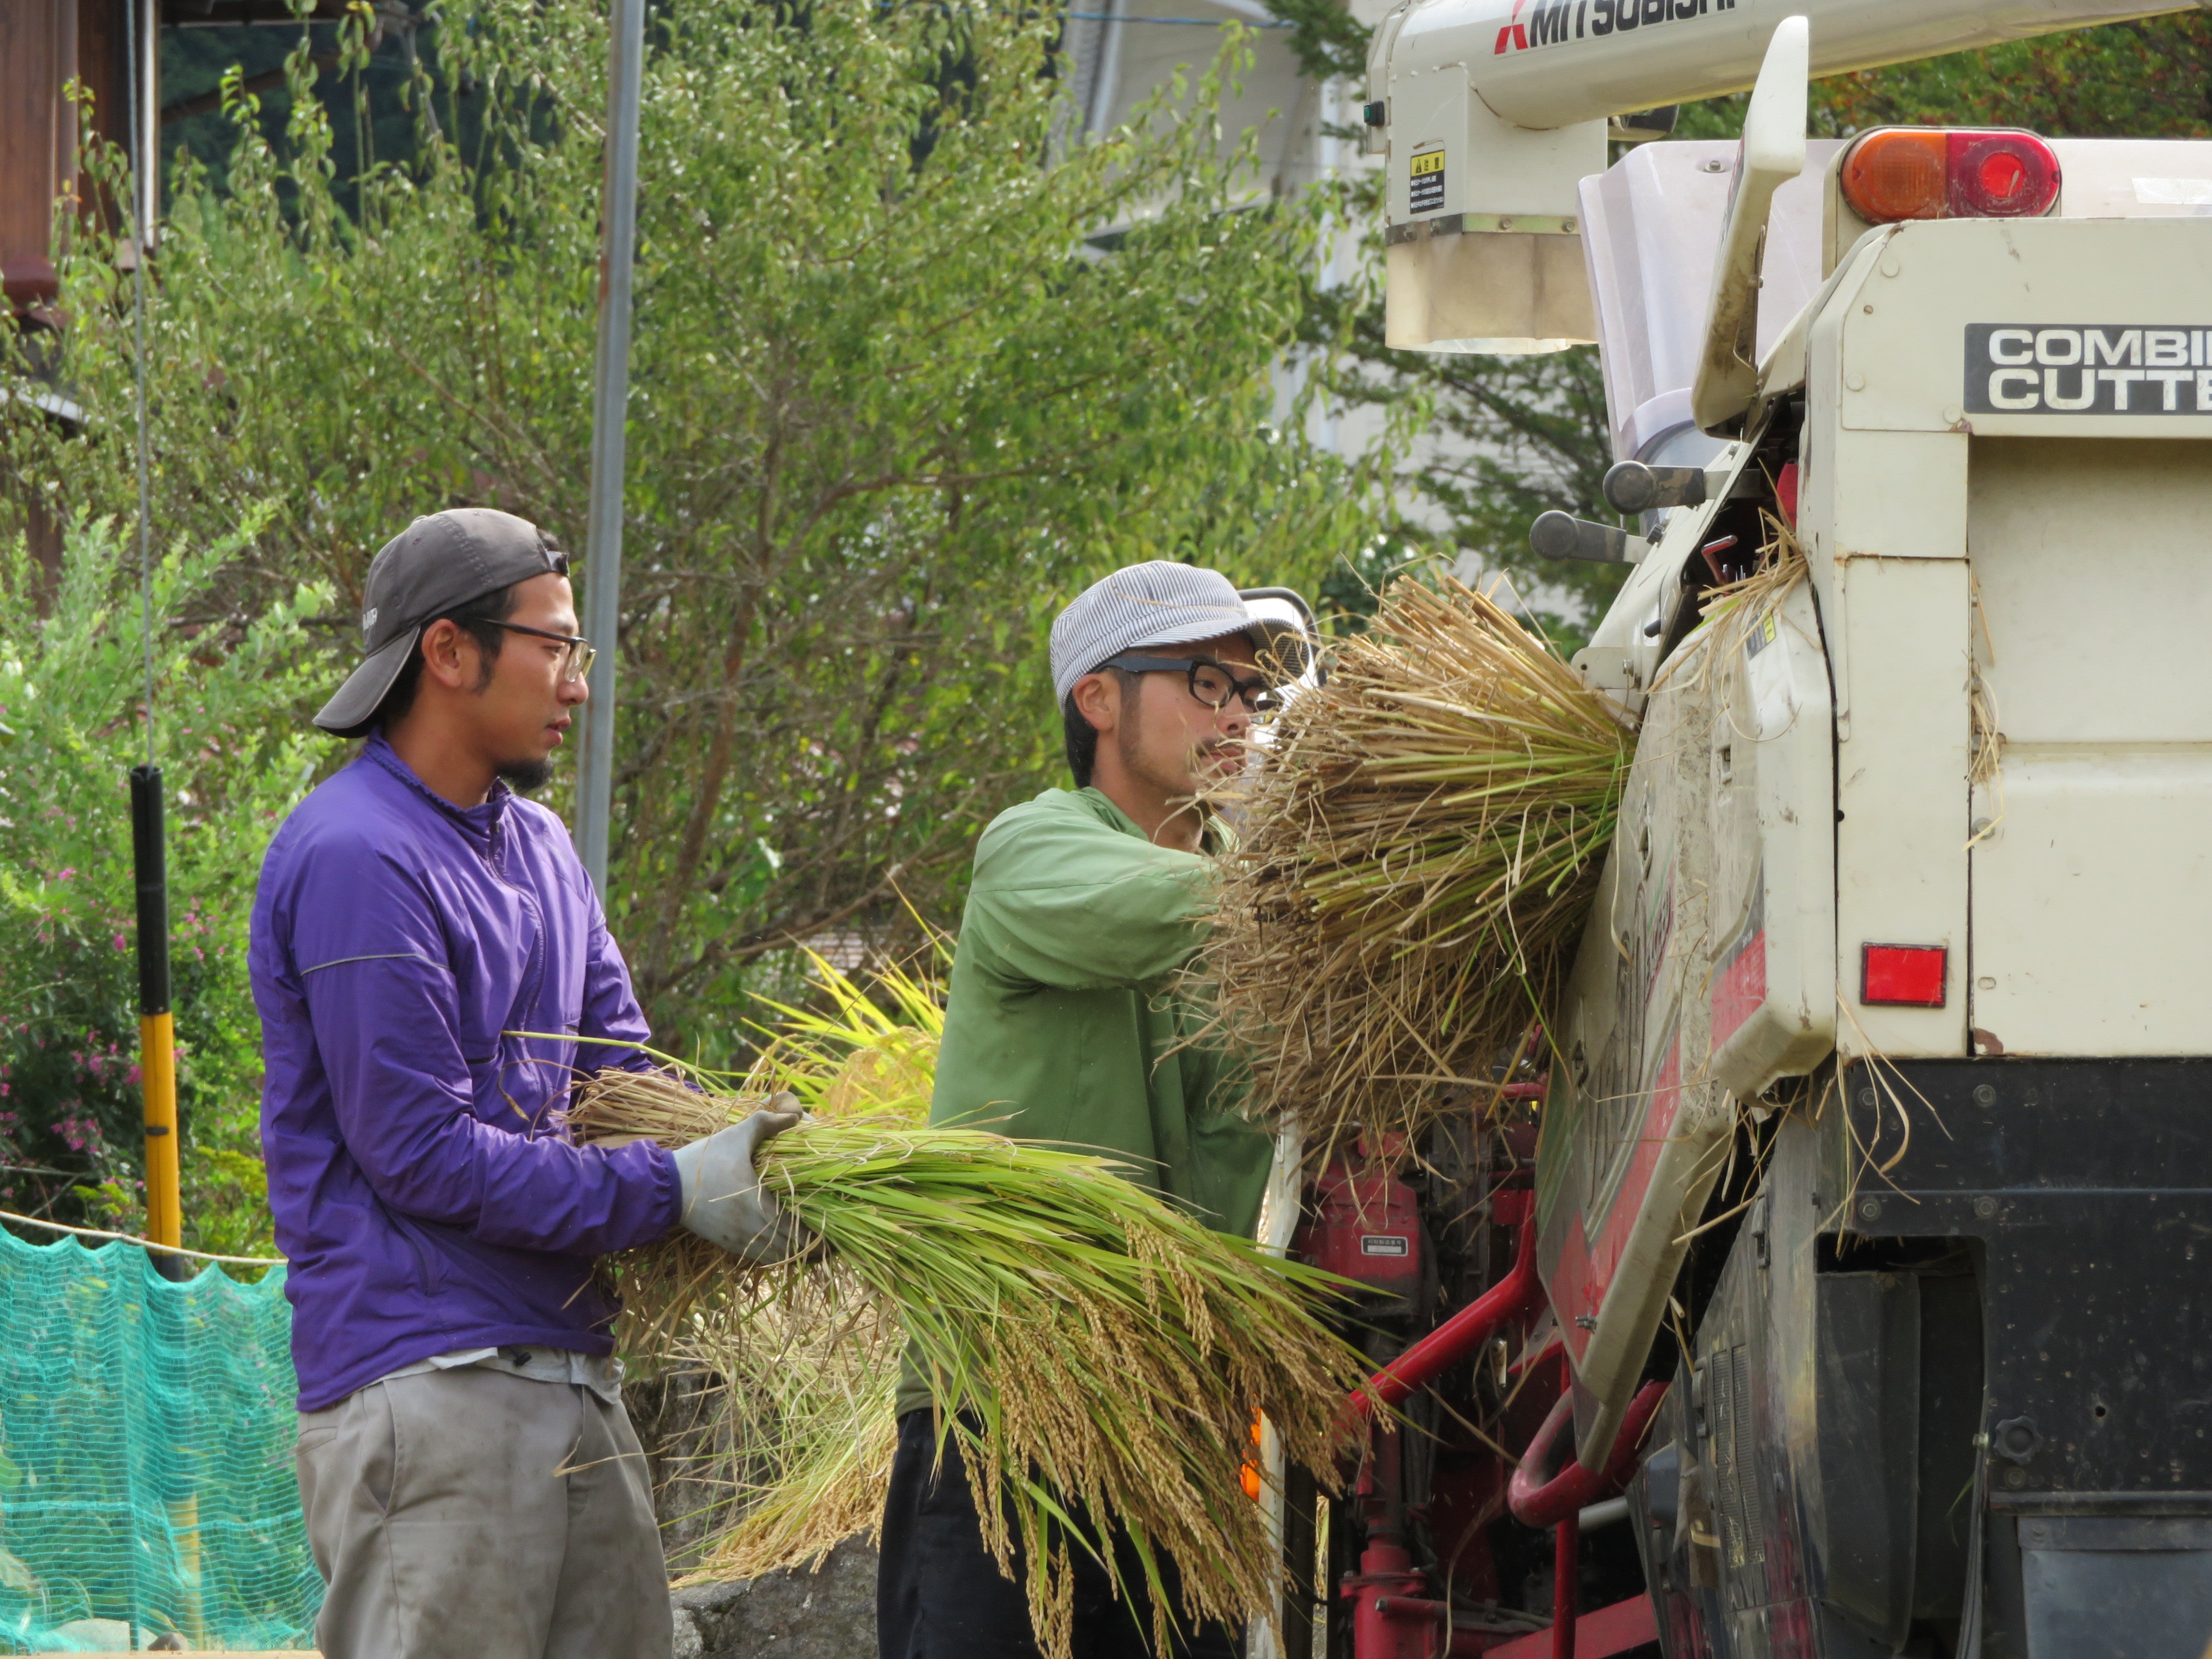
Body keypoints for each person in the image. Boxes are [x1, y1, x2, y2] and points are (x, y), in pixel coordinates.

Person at [251, 508, 804, 1659]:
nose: (578, 686)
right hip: (429, 1384)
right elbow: (420, 1155)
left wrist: (768, 1155)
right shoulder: (358, 853)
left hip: (573, 1374)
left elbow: (618, 1083)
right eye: (554, 648)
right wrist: (672, 1189)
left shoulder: (543, 849)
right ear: (450, 652)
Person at [875, 560, 1310, 1659]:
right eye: (1205, 681)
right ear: (1099, 698)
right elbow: (1178, 913)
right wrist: (1322, 874)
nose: (1238, 716)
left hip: (1180, 1433)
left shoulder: (1262, 906)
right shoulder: (1033, 849)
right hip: (1014, 1417)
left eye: (1251, 693)